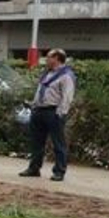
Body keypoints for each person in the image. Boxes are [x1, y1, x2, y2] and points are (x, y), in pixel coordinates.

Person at [20, 49, 75, 182]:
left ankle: (59, 171)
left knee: (58, 143)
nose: (46, 60)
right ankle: (34, 168)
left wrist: (61, 113)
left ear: (57, 58)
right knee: (36, 142)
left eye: (49, 57)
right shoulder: (47, 74)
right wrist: (33, 104)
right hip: (39, 110)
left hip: (53, 111)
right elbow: (41, 90)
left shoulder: (66, 75)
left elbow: (67, 96)